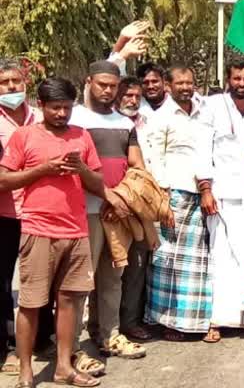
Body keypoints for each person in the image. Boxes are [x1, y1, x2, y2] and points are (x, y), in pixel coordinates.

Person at [0, 77, 109, 388]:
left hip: (76, 231)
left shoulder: (82, 136)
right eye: (55, 108)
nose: (62, 114)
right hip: (38, 230)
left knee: (70, 301)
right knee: (32, 303)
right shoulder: (24, 137)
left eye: (67, 108)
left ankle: (63, 367)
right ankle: (25, 370)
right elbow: (4, 181)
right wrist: (43, 170)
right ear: (41, 105)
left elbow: (98, 184)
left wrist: (81, 169)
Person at [69, 61, 147, 364]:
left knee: (113, 278)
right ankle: (71, 346)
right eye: (102, 84)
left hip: (118, 214)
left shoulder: (126, 124)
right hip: (82, 213)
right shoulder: (74, 118)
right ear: (89, 82)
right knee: (80, 281)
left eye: (112, 86)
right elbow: (74, 168)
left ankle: (109, 335)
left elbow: (137, 167)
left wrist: (122, 201)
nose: (107, 90)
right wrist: (107, 196)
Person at [198, 57, 244, 342]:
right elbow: (202, 149)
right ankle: (219, 319)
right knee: (221, 256)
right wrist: (205, 188)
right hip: (221, 194)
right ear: (228, 79)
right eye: (236, 79)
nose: (241, 84)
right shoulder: (213, 106)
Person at [145, 65, 213, 341]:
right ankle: (165, 321)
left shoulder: (204, 112)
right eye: (180, 83)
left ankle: (191, 322)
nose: (186, 87)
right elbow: (154, 157)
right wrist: (162, 198)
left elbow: (206, 152)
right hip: (171, 193)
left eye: (190, 83)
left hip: (202, 193)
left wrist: (207, 186)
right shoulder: (160, 117)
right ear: (168, 86)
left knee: (196, 263)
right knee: (166, 261)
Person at [0, 60, 42, 375]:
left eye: (16, 80)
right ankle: (7, 345)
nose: (12, 87)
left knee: (39, 279)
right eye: (5, 82)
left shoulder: (40, 117)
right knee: (2, 281)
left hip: (39, 211)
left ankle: (41, 339)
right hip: (4, 213)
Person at [112, 76, 156, 343]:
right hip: (113, 202)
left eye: (136, 96)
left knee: (138, 265)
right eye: (127, 95)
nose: (132, 100)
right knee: (112, 267)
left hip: (143, 203)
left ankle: (130, 322)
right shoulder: (109, 123)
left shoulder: (150, 122)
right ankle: (106, 326)